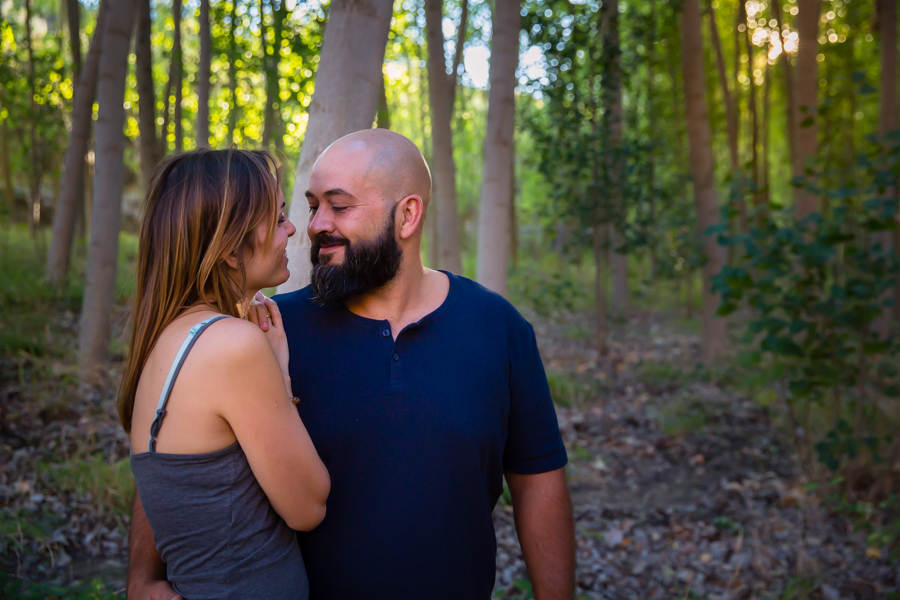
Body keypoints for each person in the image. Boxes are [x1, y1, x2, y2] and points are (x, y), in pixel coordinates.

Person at [127, 131, 575, 600]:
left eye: (339, 207)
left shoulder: (498, 328)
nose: (315, 224)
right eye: (312, 204)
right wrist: (143, 575)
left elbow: (538, 483)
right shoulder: (268, 329)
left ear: (407, 215)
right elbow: (180, 454)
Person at [121, 149, 330, 600]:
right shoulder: (234, 346)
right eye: (276, 219)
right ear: (231, 250)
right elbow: (308, 506)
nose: (293, 227)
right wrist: (282, 378)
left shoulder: (167, 339)